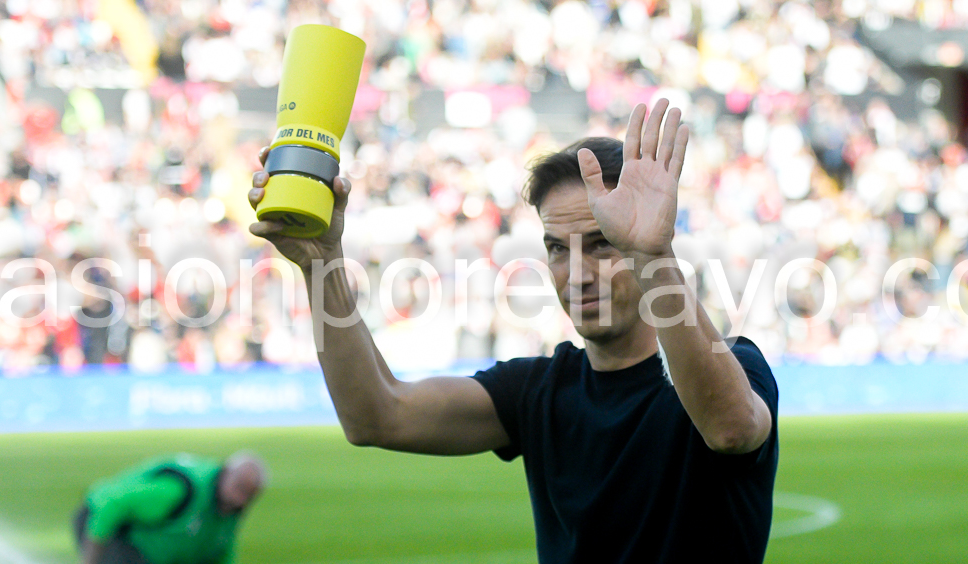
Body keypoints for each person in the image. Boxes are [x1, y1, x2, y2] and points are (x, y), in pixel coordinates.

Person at [249, 99, 777, 563]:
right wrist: (320, 265)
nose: (578, 271)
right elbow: (376, 416)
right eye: (556, 248)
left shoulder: (734, 366)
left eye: (602, 243)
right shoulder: (540, 390)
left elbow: (730, 428)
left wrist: (652, 255)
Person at [73, 452, 267, 564]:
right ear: (225, 473)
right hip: (106, 524)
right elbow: (113, 505)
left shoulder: (228, 513)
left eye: (249, 496)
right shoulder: (180, 491)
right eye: (238, 488)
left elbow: (221, 554)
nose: (240, 500)